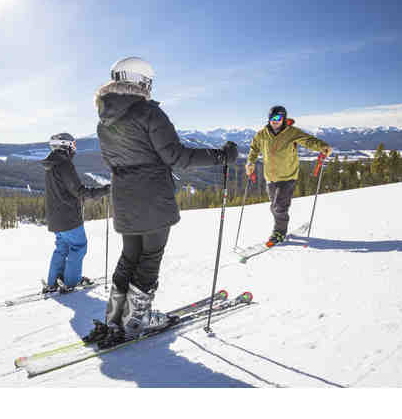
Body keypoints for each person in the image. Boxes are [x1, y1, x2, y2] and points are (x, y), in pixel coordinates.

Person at [84, 57, 238, 347]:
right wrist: (220, 156)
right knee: (149, 258)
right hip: (153, 197)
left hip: (124, 197)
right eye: (149, 82)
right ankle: (137, 319)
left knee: (130, 256)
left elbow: (112, 160)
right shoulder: (148, 113)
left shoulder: (104, 120)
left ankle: (114, 318)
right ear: (140, 80)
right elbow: (178, 157)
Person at [245, 105, 332, 246]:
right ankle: (280, 226)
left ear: (283, 119)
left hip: (288, 176)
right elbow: (254, 148)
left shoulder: (292, 132)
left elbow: (308, 141)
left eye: (278, 118)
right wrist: (250, 162)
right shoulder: (262, 134)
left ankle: (279, 232)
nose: (275, 121)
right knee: (274, 207)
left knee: (279, 207)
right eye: (272, 118)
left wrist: (322, 146)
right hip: (270, 177)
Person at [41, 132, 110, 293]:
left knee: (62, 248)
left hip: (55, 218)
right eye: (73, 145)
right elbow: (80, 191)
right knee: (78, 247)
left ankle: (53, 282)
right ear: (65, 146)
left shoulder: (51, 165)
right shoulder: (64, 164)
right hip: (68, 217)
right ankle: (71, 281)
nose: (74, 149)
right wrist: (105, 190)